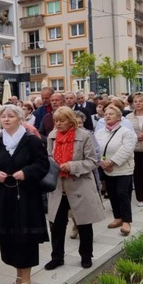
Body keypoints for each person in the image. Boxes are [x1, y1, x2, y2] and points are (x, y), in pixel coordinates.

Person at [0, 105, 50, 284]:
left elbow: (43, 164)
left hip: (26, 197)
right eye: (3, 116)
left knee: (25, 239)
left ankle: (27, 280)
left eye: (11, 116)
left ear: (20, 119)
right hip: (4, 196)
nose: (6, 119)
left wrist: (26, 173)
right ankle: (19, 275)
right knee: (10, 239)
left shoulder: (31, 140)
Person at [45, 107, 105, 269]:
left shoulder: (84, 136)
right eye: (56, 120)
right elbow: (49, 157)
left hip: (80, 185)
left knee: (84, 224)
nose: (58, 124)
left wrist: (71, 166)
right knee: (56, 225)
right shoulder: (52, 136)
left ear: (71, 120)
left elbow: (93, 161)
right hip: (58, 187)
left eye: (62, 120)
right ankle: (57, 257)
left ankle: (86, 255)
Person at [95, 104, 137, 236]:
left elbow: (127, 149)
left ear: (119, 117)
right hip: (107, 168)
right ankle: (117, 217)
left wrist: (112, 161)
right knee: (112, 193)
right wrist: (101, 162)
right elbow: (96, 149)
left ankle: (126, 221)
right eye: (106, 114)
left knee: (122, 193)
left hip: (123, 168)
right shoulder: (100, 132)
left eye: (111, 114)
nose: (107, 116)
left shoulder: (127, 132)